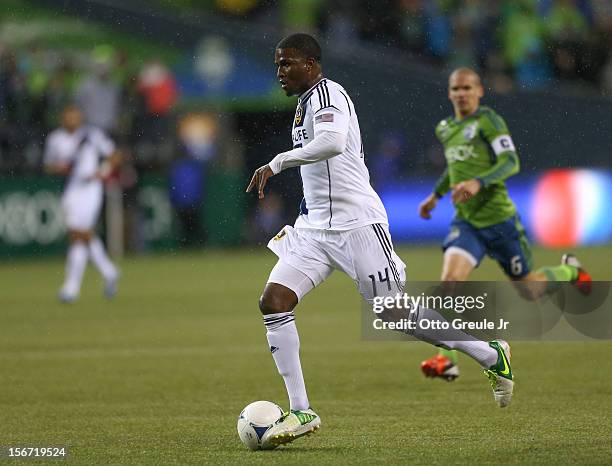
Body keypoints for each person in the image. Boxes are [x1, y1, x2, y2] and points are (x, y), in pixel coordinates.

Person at [246, 34, 515, 448]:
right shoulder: (302, 105)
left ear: (312, 64)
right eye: (278, 64)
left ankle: (489, 354)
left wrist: (278, 161)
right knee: (274, 302)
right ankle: (301, 409)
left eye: (288, 63)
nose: (280, 71)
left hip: (357, 225)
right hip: (316, 230)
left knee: (393, 312)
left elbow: (333, 144)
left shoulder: (327, 94)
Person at [417, 68, 591, 381]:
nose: (461, 93)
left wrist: (479, 183)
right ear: (449, 93)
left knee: (530, 289)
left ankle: (570, 271)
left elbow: (511, 162)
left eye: (467, 88)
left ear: (479, 91)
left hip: (500, 222)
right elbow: (455, 170)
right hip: (468, 224)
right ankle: (447, 359)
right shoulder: (445, 128)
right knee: (449, 284)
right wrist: (435, 196)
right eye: (456, 88)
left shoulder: (489, 121)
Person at [44, 104, 121, 302]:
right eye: (68, 115)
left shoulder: (91, 135)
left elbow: (114, 155)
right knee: (81, 234)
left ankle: (72, 287)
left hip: (90, 189)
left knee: (77, 234)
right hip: (70, 188)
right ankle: (109, 271)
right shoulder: (56, 139)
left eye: (75, 115)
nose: (72, 119)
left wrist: (101, 172)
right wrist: (60, 168)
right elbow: (48, 165)